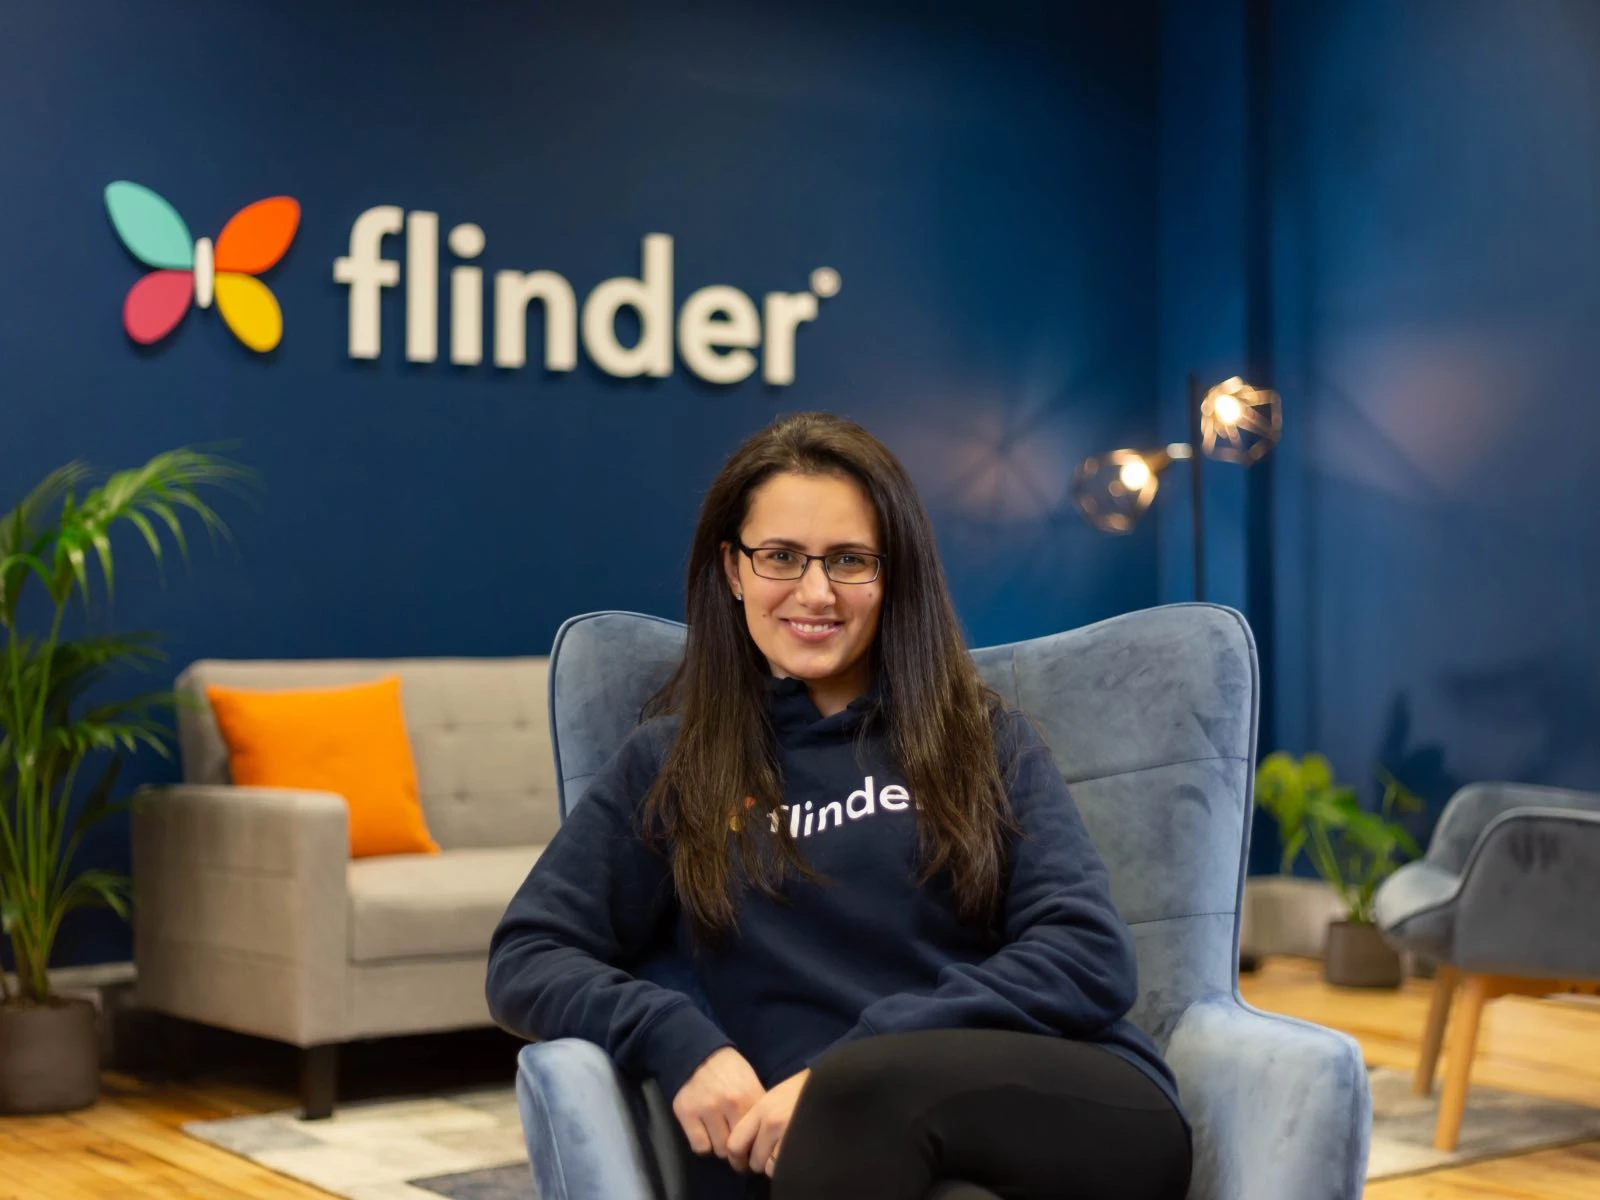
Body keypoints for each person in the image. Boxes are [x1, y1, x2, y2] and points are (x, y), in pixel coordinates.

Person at [486, 412, 1192, 1200]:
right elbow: (527, 955)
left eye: (850, 560)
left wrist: (852, 1061)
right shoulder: (670, 765)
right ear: (732, 569)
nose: (815, 592)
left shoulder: (981, 737)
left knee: (859, 1094)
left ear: (892, 576)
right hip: (843, 1161)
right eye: (781, 556)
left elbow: (1088, 953)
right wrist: (674, 1038)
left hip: (1072, 1109)